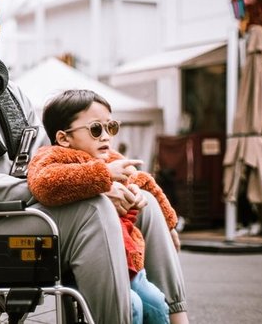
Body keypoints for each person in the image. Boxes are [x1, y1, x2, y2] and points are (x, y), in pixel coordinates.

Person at [0, 0, 188, 324]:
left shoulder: (11, 94)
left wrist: (106, 183)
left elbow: (45, 159)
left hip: (14, 211)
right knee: (92, 208)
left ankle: (176, 316)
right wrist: (84, 185)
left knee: (141, 201)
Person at [28, 89, 178, 323]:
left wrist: (169, 224)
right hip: (95, 260)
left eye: (111, 127)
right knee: (134, 307)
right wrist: (103, 175)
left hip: (130, 259)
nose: (106, 136)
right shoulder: (52, 156)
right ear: (63, 138)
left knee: (157, 302)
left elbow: (146, 182)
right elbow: (45, 183)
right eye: (96, 129)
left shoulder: (111, 159)